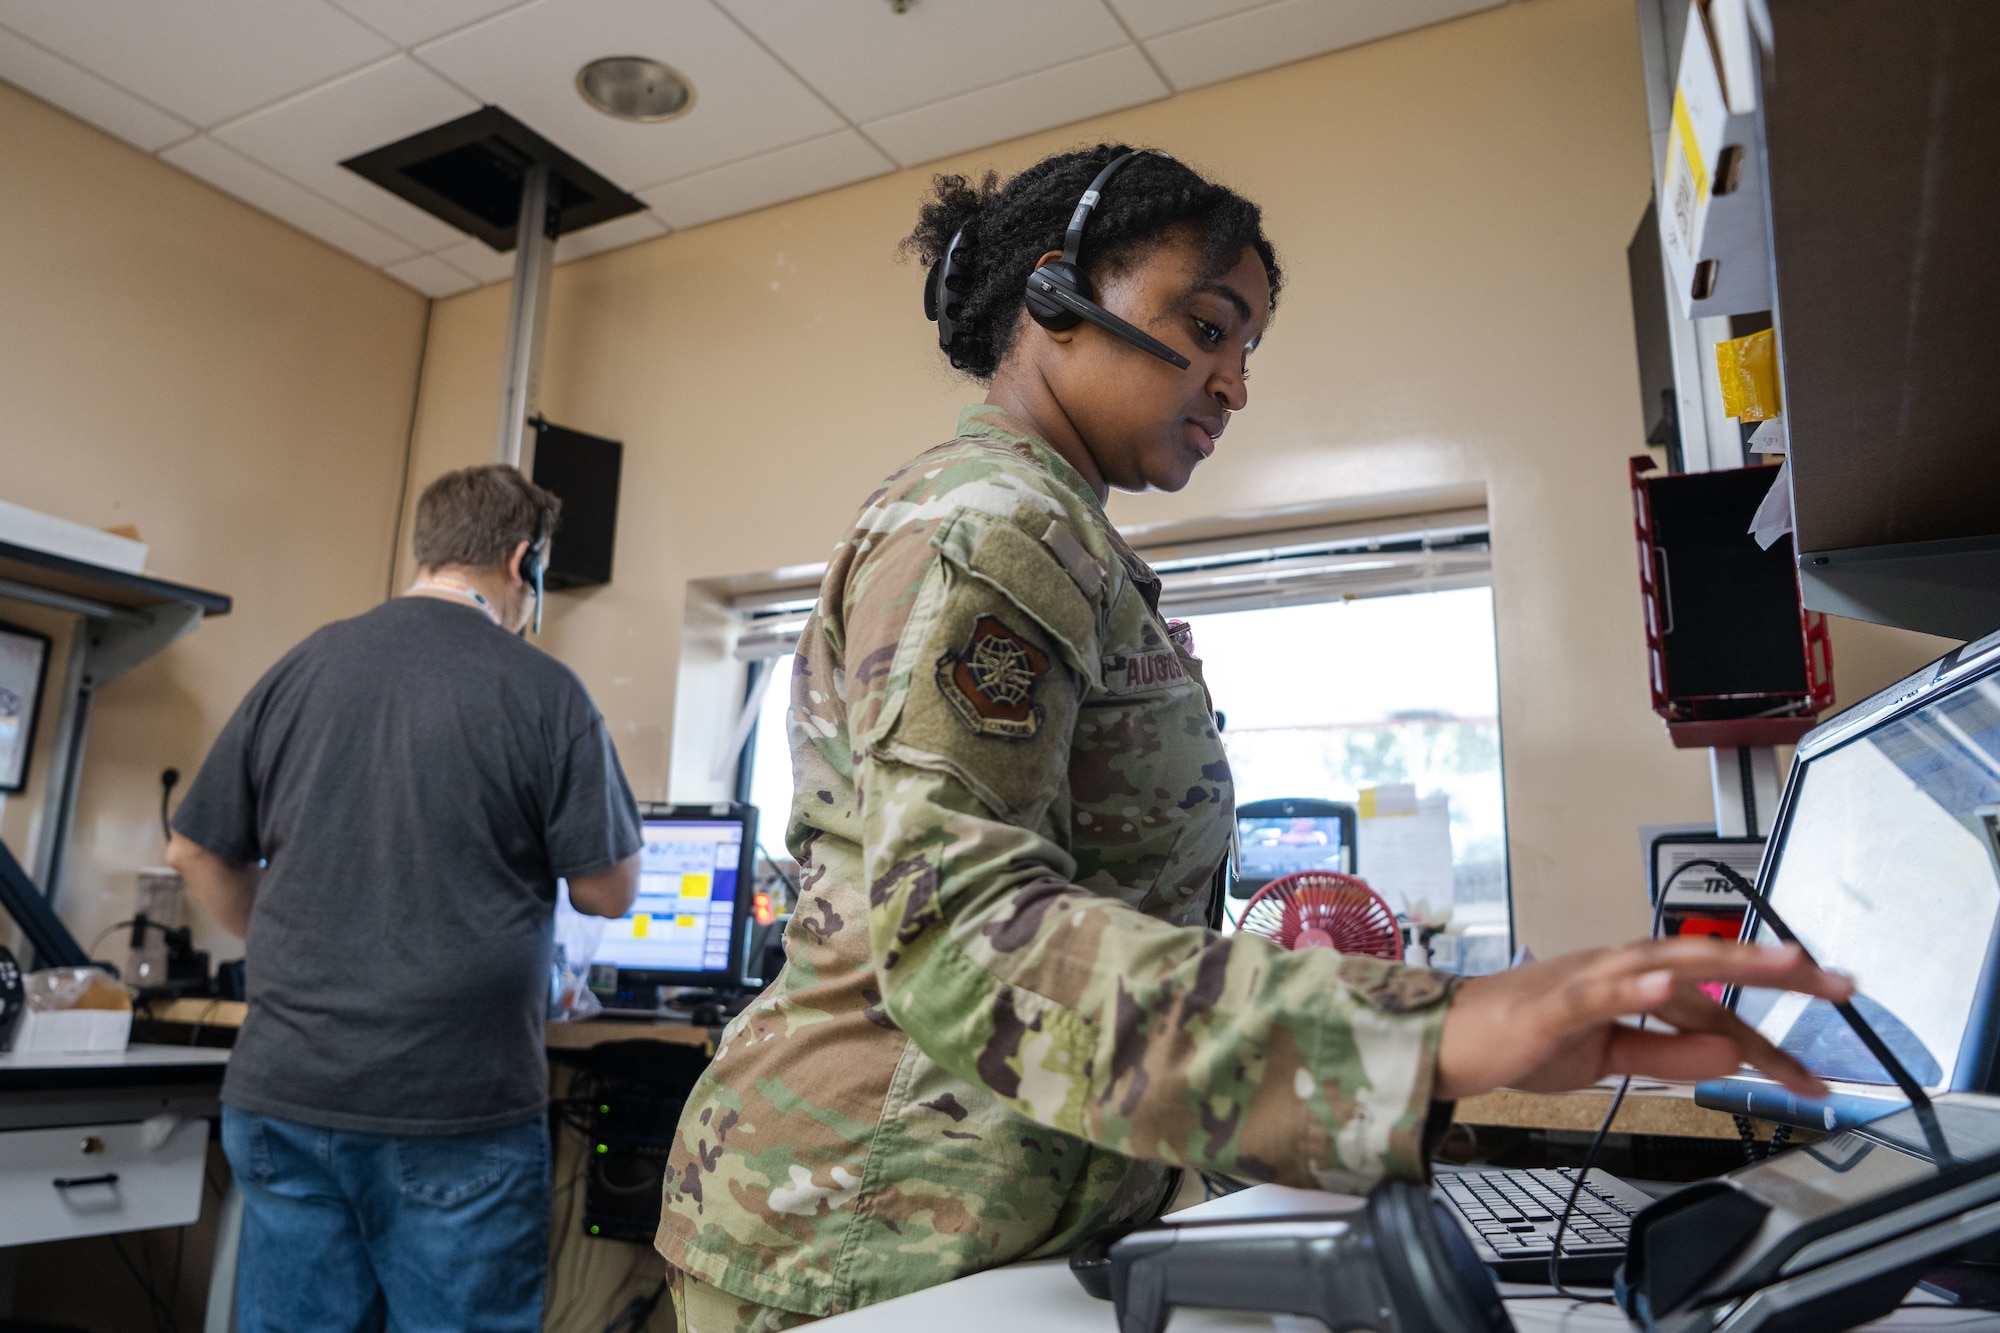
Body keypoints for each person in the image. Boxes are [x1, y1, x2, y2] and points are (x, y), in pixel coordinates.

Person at [653, 146, 1852, 1331]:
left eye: (1247, 347)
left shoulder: (1065, 538)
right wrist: (1430, 1030)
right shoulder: (990, 524)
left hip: (977, 1213)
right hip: (868, 1218)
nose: (1234, 382)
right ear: (1057, 294)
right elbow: (960, 937)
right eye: (1208, 325)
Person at [167, 464, 644, 1332]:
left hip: (282, 1093)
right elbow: (608, 890)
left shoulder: (300, 667)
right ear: (521, 559)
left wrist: (282, 940)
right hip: (450, 1104)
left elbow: (193, 847)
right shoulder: (543, 690)